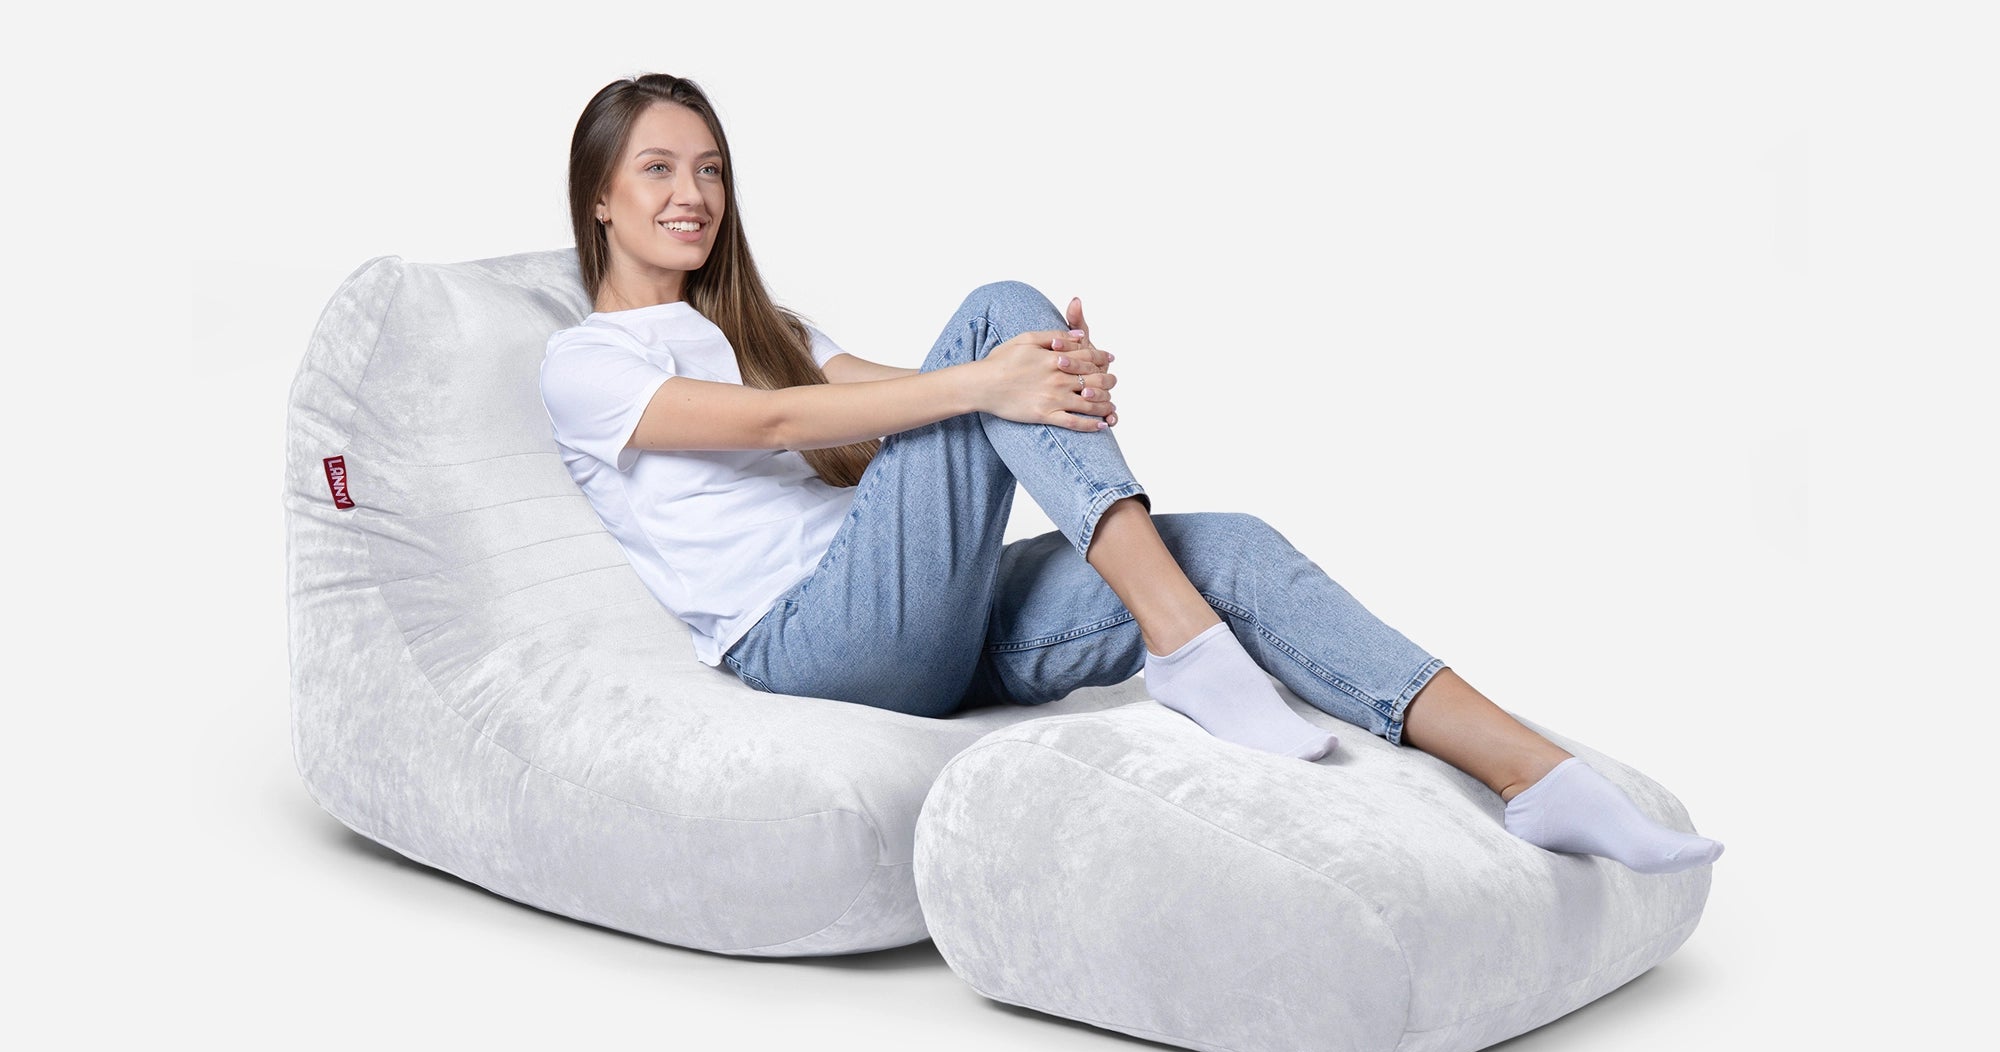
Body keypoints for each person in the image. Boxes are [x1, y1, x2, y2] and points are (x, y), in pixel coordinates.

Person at [538, 73, 1724, 875]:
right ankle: (1190, 652)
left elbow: (893, 388)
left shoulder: (760, 318)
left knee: (1229, 547)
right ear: (600, 196)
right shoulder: (584, 364)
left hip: (922, 622)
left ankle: (1538, 776)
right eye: (656, 171)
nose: (691, 195)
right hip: (812, 642)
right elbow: (768, 425)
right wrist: (996, 375)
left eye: (708, 171)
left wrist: (1045, 387)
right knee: (995, 321)